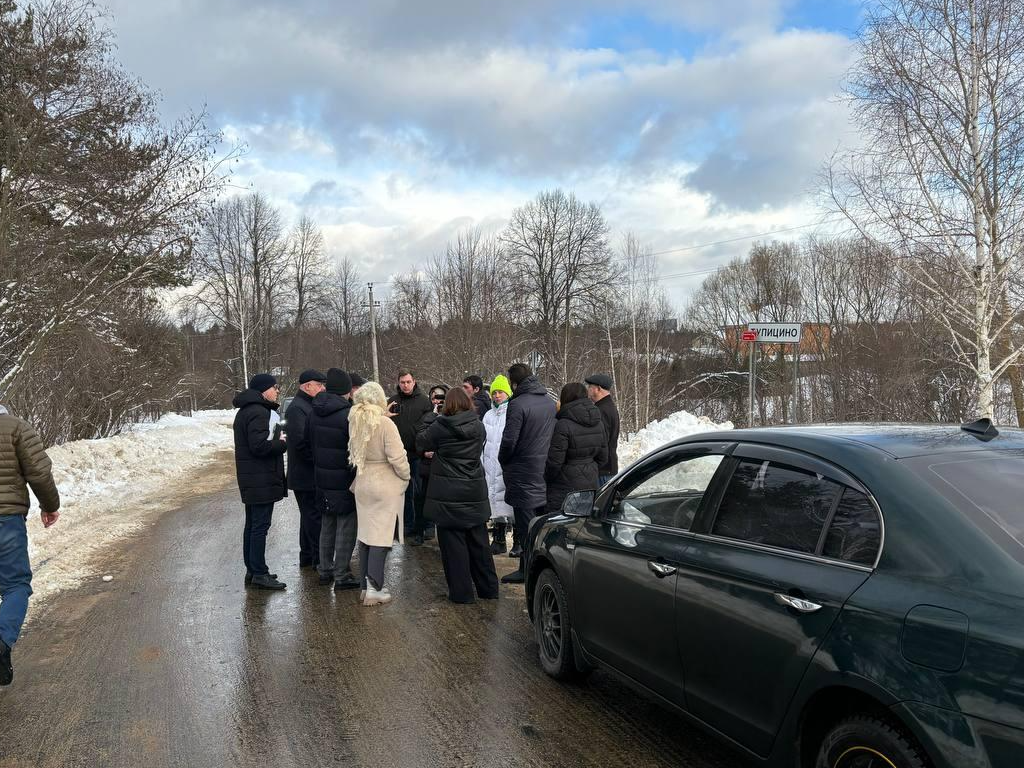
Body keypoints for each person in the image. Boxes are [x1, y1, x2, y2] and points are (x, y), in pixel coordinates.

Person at [416, 388, 499, 604]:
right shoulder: (478, 425)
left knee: (453, 548)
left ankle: (462, 594)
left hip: (448, 492)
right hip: (473, 489)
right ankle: (489, 588)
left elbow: (421, 442)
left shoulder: (440, 426)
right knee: (479, 543)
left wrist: (431, 416)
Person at [0, 405, 61, 686]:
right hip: (5, 519)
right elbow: (38, 470)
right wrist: (50, 506)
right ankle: (1, 641)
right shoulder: (15, 427)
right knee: (15, 585)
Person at [350, 382, 411, 606]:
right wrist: (406, 476)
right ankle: (376, 587)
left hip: (363, 481)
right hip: (384, 483)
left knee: (366, 536)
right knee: (381, 537)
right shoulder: (384, 423)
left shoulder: (355, 421)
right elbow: (397, 456)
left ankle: (366, 587)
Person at [498, 363, 556, 584]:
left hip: (522, 471)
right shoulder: (548, 402)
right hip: (543, 470)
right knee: (541, 522)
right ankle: (539, 568)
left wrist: (503, 459)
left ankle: (526, 569)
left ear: (514, 383)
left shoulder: (518, 404)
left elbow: (510, 440)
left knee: (525, 525)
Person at [233, 373, 289, 591]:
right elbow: (258, 446)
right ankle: (259, 572)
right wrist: (281, 443)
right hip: (260, 478)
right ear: (264, 390)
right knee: (259, 527)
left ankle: (253, 568)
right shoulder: (258, 412)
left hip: (254, 478)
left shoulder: (247, 410)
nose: (277, 391)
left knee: (252, 525)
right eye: (274, 388)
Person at [309, 368, 360, 591]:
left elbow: (306, 442)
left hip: (322, 477)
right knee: (346, 527)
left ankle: (325, 570)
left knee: (327, 525)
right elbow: (356, 449)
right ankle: (342, 574)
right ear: (346, 390)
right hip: (344, 478)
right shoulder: (348, 415)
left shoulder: (314, 411)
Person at [546, 383, 608, 513]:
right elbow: (603, 458)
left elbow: (554, 462)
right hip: (590, 484)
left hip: (565, 486)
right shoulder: (599, 422)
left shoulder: (563, 424)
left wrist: (547, 478)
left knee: (563, 525)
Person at [287, 368, 327, 569]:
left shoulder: (307, 405)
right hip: (305, 475)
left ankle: (308, 556)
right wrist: (320, 460)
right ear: (307, 386)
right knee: (313, 518)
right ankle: (319, 560)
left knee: (308, 517)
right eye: (319, 385)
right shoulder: (297, 408)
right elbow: (301, 443)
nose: (323, 388)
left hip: (308, 474)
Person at [387, 370, 432, 537]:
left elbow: (428, 426)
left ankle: (425, 525)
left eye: (408, 382)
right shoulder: (392, 401)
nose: (405, 385)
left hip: (418, 454)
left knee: (420, 491)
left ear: (414, 381)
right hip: (398, 454)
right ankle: (407, 524)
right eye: (402, 382)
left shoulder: (424, 401)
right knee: (402, 492)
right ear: (398, 383)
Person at [411, 385, 447, 546]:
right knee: (421, 498)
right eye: (434, 397)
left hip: (444, 467)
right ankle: (420, 531)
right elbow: (419, 438)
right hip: (426, 465)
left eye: (441, 398)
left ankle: (435, 530)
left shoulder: (451, 417)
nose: (438, 401)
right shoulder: (426, 416)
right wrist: (423, 453)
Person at [482, 375, 514, 554]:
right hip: (490, 462)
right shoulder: (488, 415)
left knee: (508, 501)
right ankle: (498, 538)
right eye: (494, 392)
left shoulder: (512, 412)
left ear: (507, 393)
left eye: (500, 392)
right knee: (494, 499)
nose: (497, 396)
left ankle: (517, 539)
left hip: (504, 463)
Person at [586, 373, 620, 486]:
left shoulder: (601, 410)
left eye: (590, 387)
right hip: (607, 468)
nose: (588, 390)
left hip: (603, 470)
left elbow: (601, 442)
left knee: (599, 502)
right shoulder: (608, 406)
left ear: (598, 389)